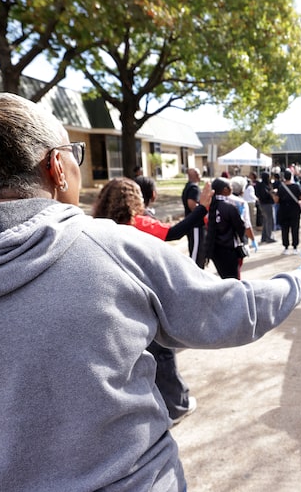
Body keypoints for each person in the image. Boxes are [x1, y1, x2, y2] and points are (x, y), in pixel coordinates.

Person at [0, 88, 301, 491]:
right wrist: (298, 279)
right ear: (56, 167)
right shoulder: (113, 248)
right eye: (74, 154)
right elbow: (236, 312)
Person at [97, 176, 212, 423]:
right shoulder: (137, 225)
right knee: (162, 352)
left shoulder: (96, 226)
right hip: (141, 301)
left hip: (111, 305)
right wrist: (202, 207)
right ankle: (176, 406)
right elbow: (175, 232)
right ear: (133, 199)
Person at [204, 177, 250, 279]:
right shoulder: (230, 207)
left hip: (215, 251)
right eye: (230, 186)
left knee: (224, 278)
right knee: (234, 280)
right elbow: (240, 227)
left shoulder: (209, 207)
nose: (232, 188)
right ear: (225, 190)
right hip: (229, 250)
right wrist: (245, 241)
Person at [181, 167, 206, 267]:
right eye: (199, 174)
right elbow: (191, 204)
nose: (201, 176)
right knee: (196, 251)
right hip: (195, 224)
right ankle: (195, 271)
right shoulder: (194, 188)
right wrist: (202, 210)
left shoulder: (188, 186)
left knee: (197, 249)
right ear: (196, 175)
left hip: (192, 223)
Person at [277, 169, 301, 255]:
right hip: (295, 211)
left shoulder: (281, 187)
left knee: (285, 229)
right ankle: (295, 247)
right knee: (295, 229)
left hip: (284, 211)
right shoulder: (296, 186)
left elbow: (277, 200)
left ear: (284, 177)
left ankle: (286, 247)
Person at [256, 171, 277, 243]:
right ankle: (269, 237)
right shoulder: (264, 186)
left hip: (262, 204)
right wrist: (271, 193)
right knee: (269, 221)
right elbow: (266, 194)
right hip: (267, 204)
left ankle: (264, 237)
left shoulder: (259, 185)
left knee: (265, 221)